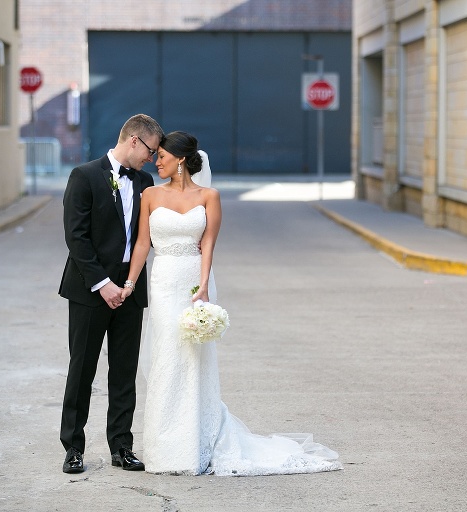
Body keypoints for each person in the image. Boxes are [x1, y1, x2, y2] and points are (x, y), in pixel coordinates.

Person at [121, 131, 342, 476]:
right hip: (163, 282)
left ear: (180, 159)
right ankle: (164, 448)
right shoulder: (150, 194)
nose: (156, 161)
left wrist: (204, 288)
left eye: (162, 155)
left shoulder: (210, 196)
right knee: (167, 358)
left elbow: (208, 244)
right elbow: (141, 245)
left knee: (194, 361)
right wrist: (131, 283)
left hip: (192, 279)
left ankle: (195, 445)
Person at [58, 114, 164, 474]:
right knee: (82, 369)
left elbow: (143, 238)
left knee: (124, 372)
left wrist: (128, 284)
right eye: (150, 150)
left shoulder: (145, 181)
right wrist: (104, 284)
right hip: (91, 289)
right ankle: (73, 447)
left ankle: (122, 446)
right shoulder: (84, 176)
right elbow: (77, 238)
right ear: (133, 140)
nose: (151, 158)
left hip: (130, 289)